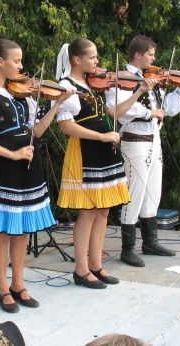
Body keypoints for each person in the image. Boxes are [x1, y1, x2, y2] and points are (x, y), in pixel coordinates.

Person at [0, 40, 74, 313]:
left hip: (28, 161)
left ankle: (18, 284)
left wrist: (57, 103)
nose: (21, 66)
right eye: (16, 61)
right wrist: (10, 154)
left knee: (22, 228)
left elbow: (36, 131)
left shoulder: (22, 94)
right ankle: (3, 288)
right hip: (5, 163)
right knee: (3, 230)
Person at [55, 39, 158, 289]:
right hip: (86, 149)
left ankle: (96, 265)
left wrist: (138, 92)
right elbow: (66, 126)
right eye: (92, 57)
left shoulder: (93, 84)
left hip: (104, 147)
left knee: (103, 209)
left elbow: (113, 114)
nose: (97, 62)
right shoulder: (66, 87)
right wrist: (101, 137)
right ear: (77, 59)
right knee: (88, 211)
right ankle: (81, 270)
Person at [106, 35, 180, 267]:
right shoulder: (121, 79)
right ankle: (127, 248)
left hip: (154, 140)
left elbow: (166, 110)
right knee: (134, 193)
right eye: (151, 55)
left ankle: (150, 242)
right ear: (138, 55)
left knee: (153, 192)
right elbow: (119, 112)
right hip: (135, 140)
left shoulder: (152, 78)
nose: (154, 59)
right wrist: (148, 113)